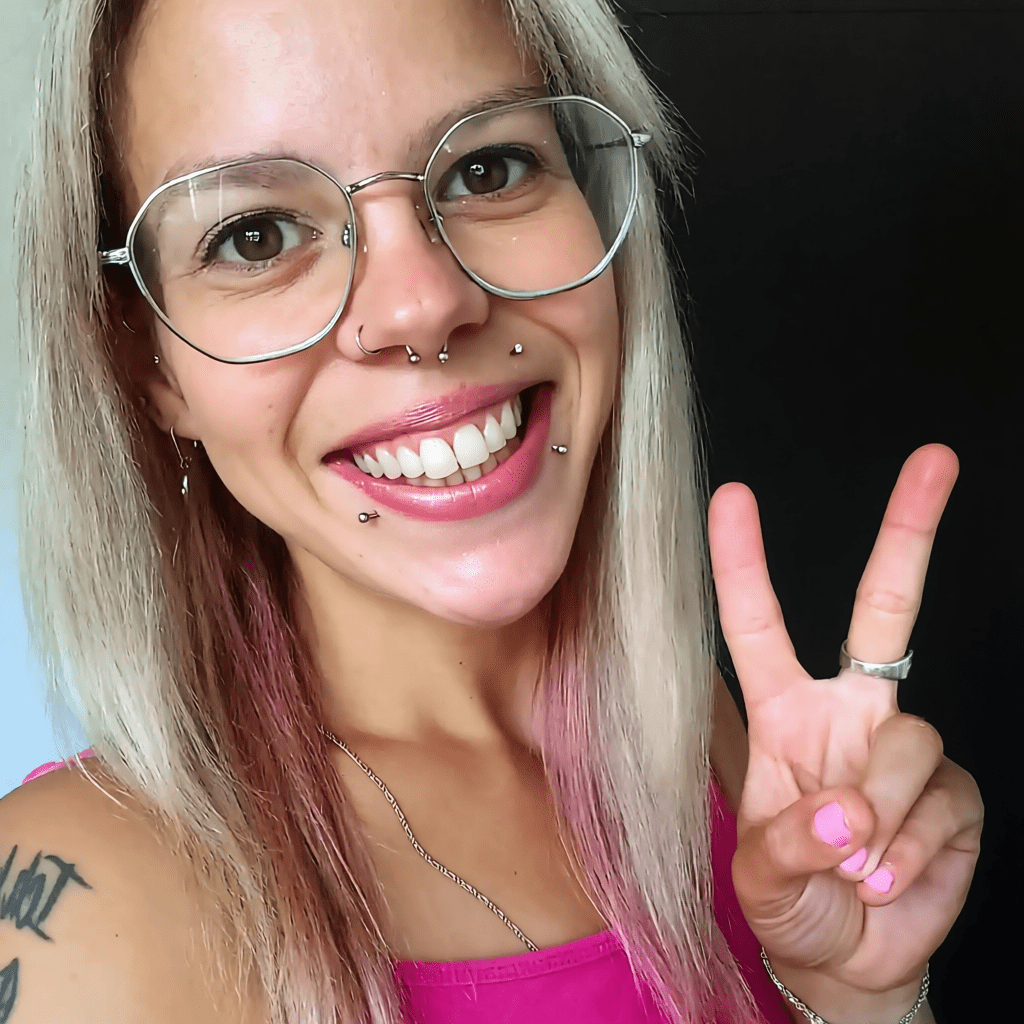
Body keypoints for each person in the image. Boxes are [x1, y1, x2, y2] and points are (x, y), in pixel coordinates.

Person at [0, 0, 982, 1022]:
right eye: (258, 236)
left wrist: (855, 1002)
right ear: (149, 364)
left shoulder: (691, 730)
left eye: (486, 168)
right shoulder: (76, 924)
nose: (424, 304)